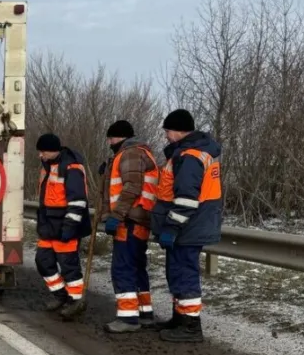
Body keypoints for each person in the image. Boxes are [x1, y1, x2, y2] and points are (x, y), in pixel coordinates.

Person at [151, 109, 223, 343]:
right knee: (177, 272)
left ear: (179, 131)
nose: (166, 136)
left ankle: (191, 327)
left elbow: (186, 199)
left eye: (168, 131)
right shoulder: (195, 153)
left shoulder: (190, 157)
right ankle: (180, 319)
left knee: (185, 274)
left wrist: (171, 227)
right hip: (193, 224)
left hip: (188, 227)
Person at [98, 120, 160, 334]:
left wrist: (116, 215)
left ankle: (127, 318)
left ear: (119, 137)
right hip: (139, 218)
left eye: (111, 138)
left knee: (123, 268)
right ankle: (144, 313)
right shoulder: (137, 153)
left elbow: (131, 187)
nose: (109, 142)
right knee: (136, 267)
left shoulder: (131, 154)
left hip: (129, 220)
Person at [34, 133, 92, 320]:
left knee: (69, 266)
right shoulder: (48, 166)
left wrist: (69, 228)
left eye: (42, 151)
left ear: (51, 151)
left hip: (65, 225)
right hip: (48, 225)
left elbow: (77, 202)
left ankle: (75, 301)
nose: (40, 155)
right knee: (43, 261)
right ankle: (60, 295)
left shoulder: (71, 167)